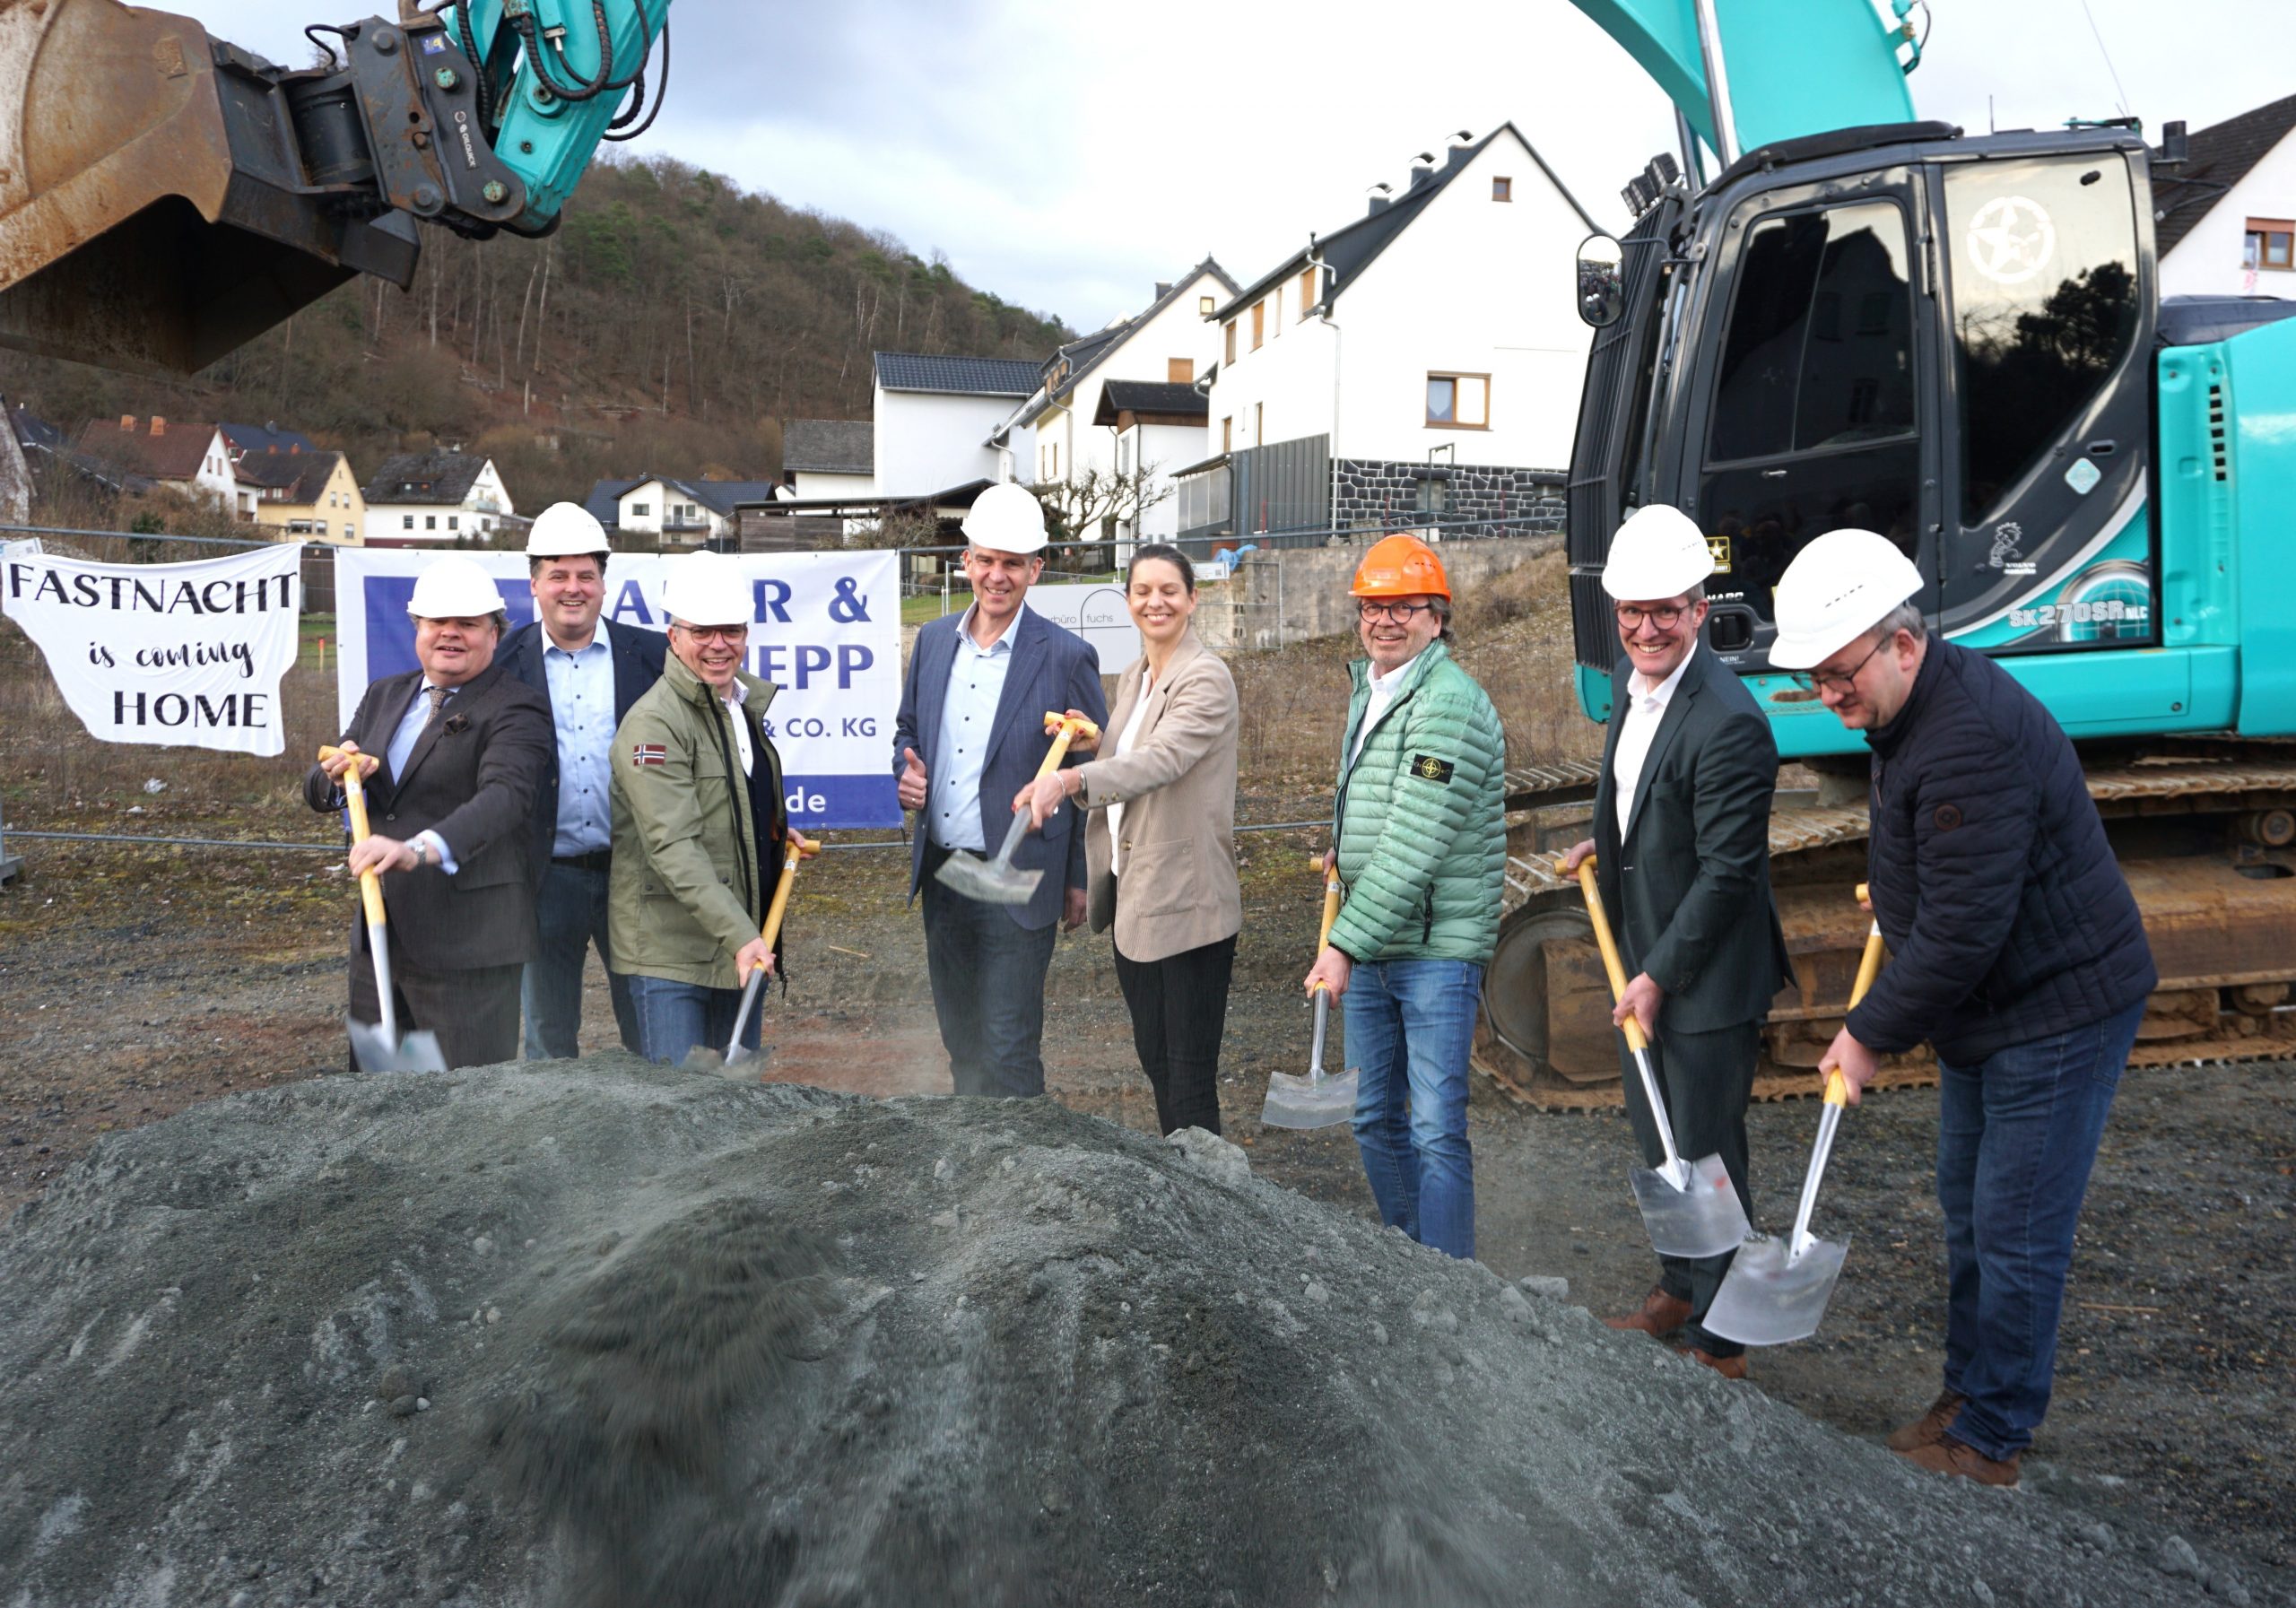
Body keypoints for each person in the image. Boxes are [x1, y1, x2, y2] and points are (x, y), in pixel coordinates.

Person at [1769, 527, 2156, 1488]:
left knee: (2016, 1225)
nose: (1829, 695)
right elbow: (1953, 884)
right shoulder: (1910, 710)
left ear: (1902, 641)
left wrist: (1862, 1035)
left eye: (1838, 672)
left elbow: (1960, 937)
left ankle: (1990, 1437)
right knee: (1968, 1210)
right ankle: (1967, 1390)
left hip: (2053, 1008)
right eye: (1814, 677)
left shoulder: (1965, 737)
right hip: (1991, 1010)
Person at [1556, 504, 1796, 1379]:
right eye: (1631, 611)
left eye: (1666, 609)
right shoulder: (1635, 683)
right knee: (1657, 1139)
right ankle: (1679, 1284)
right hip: (1646, 952)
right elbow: (1642, 797)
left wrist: (1658, 974)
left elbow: (1729, 872)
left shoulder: (1728, 719)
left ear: (1700, 607)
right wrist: (1608, 844)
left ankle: (1723, 1340)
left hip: (1703, 972)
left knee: (1706, 1147)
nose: (1646, 627)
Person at [1302, 535, 1505, 1260]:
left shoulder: (1448, 703)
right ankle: (1412, 1264)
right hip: (1377, 937)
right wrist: (1342, 845)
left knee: (1434, 1127)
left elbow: (1417, 837)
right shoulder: (1374, 687)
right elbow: (1375, 800)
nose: (1385, 621)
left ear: (1437, 616)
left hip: (1434, 950)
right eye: (1372, 607)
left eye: (1403, 608)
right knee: (1371, 1118)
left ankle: (1453, 1283)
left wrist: (1341, 945)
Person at [1013, 544, 1239, 1135]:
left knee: (1189, 1075)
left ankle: (1211, 1211)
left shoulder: (1205, 676)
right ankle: (1188, 1188)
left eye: (1169, 590)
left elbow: (1161, 760)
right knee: (1158, 1062)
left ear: (1193, 599)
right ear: (1129, 601)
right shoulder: (1137, 676)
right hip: (1136, 898)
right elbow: (1128, 752)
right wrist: (1087, 743)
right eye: (1143, 591)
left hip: (1188, 902)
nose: (1155, 601)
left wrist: (1068, 780)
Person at [891, 482, 1107, 1099]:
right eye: (986, 560)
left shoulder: (1066, 656)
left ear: (1036, 569)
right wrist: (902, 776)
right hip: (946, 872)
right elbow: (908, 732)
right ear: (966, 561)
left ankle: (1024, 1181)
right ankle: (975, 1171)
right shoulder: (933, 643)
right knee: (962, 1040)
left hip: (1024, 876)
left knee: (1010, 1046)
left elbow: (1089, 769)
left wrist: (1077, 877)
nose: (997, 575)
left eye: (1013, 563)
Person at [304, 554, 552, 1069]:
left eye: (468, 624)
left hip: (470, 945)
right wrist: (334, 777)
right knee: (376, 1098)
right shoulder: (384, 695)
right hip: (381, 934)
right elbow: (319, 782)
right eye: (437, 622)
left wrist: (418, 850)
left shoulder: (516, 706)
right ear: (417, 627)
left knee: (465, 1114)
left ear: (495, 632)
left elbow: (505, 798)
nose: (450, 635)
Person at [608, 549, 800, 1065]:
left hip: (736, 948)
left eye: (731, 631)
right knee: (678, 1120)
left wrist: (776, 832)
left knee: (736, 1108)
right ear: (673, 637)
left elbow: (735, 801)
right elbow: (672, 844)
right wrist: (743, 936)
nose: (719, 645)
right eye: (702, 632)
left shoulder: (739, 707)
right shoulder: (655, 724)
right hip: (672, 958)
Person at [498, 502, 666, 1059]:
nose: (573, 589)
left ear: (603, 582)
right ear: (534, 584)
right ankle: (555, 1145)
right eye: (558, 576)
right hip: (545, 879)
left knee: (649, 1028)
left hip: (633, 874)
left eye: (585, 576)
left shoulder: (652, 656)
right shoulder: (501, 662)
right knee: (548, 1035)